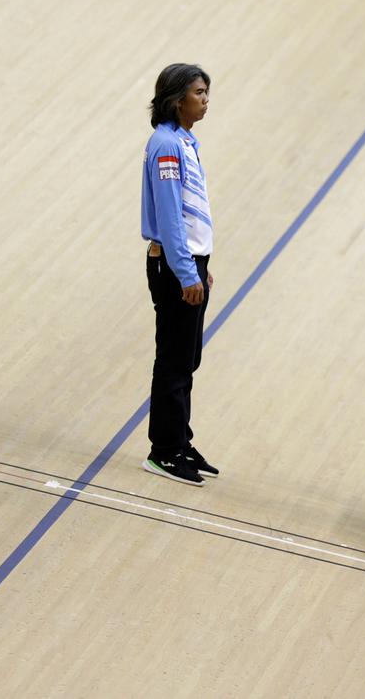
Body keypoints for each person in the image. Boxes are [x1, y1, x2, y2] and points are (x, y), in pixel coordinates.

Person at [140, 63, 219, 486]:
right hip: (175, 265)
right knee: (174, 359)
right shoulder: (166, 146)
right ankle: (164, 451)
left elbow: (192, 214)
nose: (206, 99)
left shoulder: (185, 141)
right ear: (177, 100)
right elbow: (171, 219)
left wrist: (202, 267)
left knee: (188, 358)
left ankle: (179, 439)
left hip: (188, 263)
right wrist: (187, 271)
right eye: (199, 93)